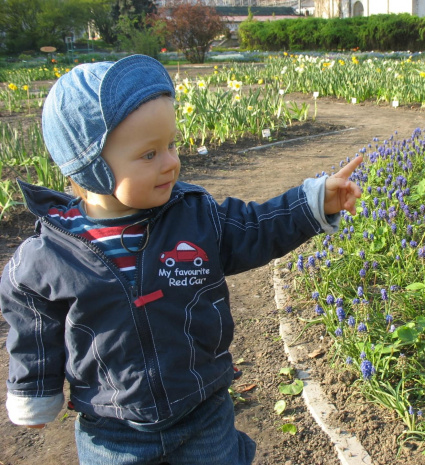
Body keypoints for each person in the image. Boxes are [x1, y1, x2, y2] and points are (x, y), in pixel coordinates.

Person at [0, 54, 362, 464]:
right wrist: (35, 391)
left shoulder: (194, 215)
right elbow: (33, 328)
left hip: (203, 409)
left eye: (171, 144)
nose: (172, 161)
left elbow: (255, 227)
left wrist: (312, 203)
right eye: (149, 155)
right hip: (113, 429)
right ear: (93, 169)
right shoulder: (51, 254)